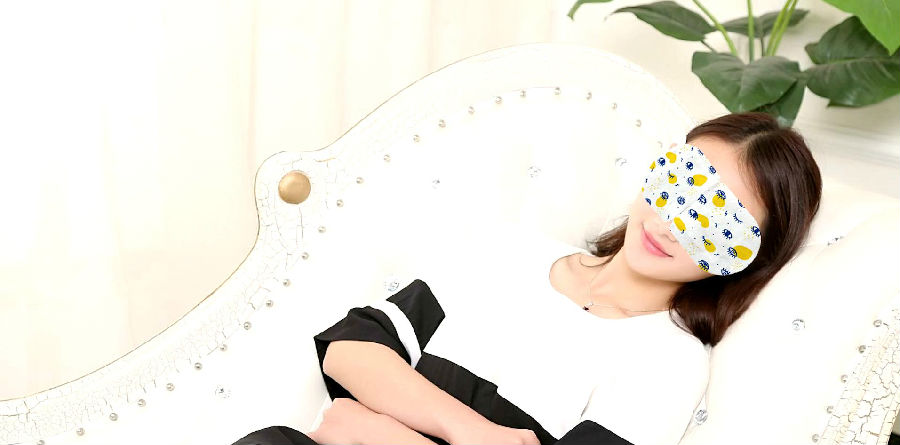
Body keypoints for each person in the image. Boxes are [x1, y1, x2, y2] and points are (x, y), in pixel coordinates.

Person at [230, 111, 822, 445]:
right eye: (683, 184)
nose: (672, 225)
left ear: (748, 257)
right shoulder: (508, 252)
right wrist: (473, 433)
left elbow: (343, 415)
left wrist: (369, 429)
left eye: (716, 223)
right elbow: (352, 349)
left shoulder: (669, 360)